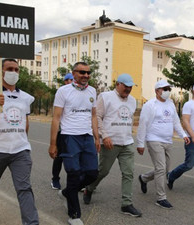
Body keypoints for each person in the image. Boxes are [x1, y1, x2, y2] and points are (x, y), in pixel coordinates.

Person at [0, 58, 39, 225]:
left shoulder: (25, 97)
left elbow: (25, 123)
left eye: (16, 69)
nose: (13, 72)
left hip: (20, 150)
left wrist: (24, 141)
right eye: (10, 68)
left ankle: (31, 223)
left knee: (24, 188)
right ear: (1, 72)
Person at [83, 73, 142, 217]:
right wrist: (104, 135)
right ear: (118, 84)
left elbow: (128, 119)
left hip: (127, 142)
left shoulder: (133, 101)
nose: (128, 89)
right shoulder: (105, 97)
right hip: (109, 142)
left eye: (130, 87)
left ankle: (126, 204)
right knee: (103, 171)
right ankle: (89, 188)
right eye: (125, 86)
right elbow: (97, 117)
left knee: (128, 173)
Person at [48, 62, 100, 225]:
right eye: (81, 72)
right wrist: (53, 143)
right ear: (73, 73)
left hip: (87, 137)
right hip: (69, 137)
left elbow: (93, 116)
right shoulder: (63, 91)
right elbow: (56, 118)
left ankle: (67, 192)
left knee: (92, 173)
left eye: (88, 73)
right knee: (74, 174)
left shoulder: (92, 91)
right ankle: (74, 215)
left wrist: (97, 137)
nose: (85, 75)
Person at [137, 80, 190, 209]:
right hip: (154, 139)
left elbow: (176, 122)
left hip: (168, 140)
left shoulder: (170, 104)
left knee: (165, 169)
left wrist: (183, 135)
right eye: (164, 89)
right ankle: (161, 198)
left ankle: (144, 178)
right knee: (161, 168)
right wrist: (140, 143)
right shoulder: (150, 105)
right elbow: (143, 124)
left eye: (168, 89)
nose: (167, 91)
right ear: (157, 91)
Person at [50, 72, 74, 190]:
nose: (71, 82)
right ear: (65, 81)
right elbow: (57, 115)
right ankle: (55, 179)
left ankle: (78, 182)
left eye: (73, 80)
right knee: (59, 156)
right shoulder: (62, 93)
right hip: (62, 131)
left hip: (75, 132)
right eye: (69, 80)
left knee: (76, 157)